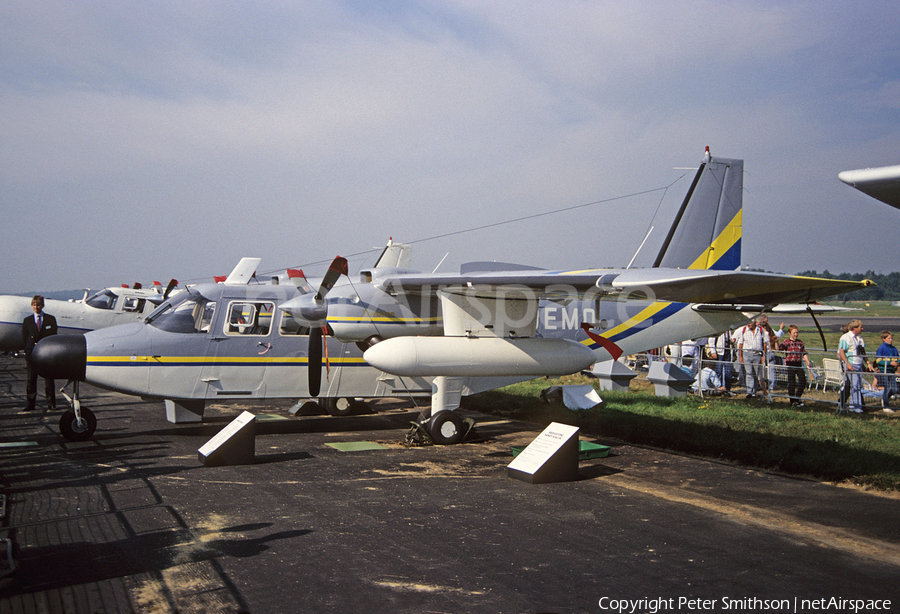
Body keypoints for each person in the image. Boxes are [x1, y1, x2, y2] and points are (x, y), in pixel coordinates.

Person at [21, 295, 58, 411]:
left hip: (46, 354)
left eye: (38, 305)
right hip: (32, 354)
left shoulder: (50, 319)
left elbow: (53, 336)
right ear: (32, 306)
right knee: (31, 380)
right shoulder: (27, 321)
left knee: (49, 380)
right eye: (34, 305)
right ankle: (31, 404)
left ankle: (51, 404)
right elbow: (25, 337)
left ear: (42, 306)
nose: (36, 307)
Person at [837, 319, 870, 413]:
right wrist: (847, 364)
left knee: (858, 385)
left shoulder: (859, 338)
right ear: (854, 328)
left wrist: (867, 363)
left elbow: (862, 352)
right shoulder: (846, 337)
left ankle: (857, 405)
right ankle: (854, 406)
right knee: (854, 385)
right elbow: (841, 351)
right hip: (851, 364)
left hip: (858, 364)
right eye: (860, 327)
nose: (862, 329)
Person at [778, 325, 812, 407]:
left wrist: (807, 361)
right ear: (789, 333)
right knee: (792, 383)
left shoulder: (800, 343)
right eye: (794, 333)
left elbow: (803, 352)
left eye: (797, 332)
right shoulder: (786, 342)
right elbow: (779, 349)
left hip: (798, 364)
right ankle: (792, 401)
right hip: (790, 364)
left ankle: (797, 397)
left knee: (803, 381)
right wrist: (776, 341)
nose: (796, 334)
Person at [738, 317, 767, 398]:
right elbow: (740, 344)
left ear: (754, 323)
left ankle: (754, 392)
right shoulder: (744, 330)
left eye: (750, 323)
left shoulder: (761, 330)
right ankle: (749, 392)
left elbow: (765, 343)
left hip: (757, 354)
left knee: (756, 373)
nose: (748, 324)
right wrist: (740, 356)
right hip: (747, 353)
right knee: (749, 373)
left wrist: (763, 356)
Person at [874, 330, 899, 411]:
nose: (890, 340)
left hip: (892, 371)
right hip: (884, 371)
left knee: (895, 389)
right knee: (887, 388)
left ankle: (885, 398)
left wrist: (897, 363)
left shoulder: (894, 349)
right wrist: (889, 363)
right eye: (888, 338)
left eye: (891, 338)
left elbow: (898, 358)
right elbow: (879, 361)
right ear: (883, 339)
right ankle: (886, 405)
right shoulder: (881, 348)